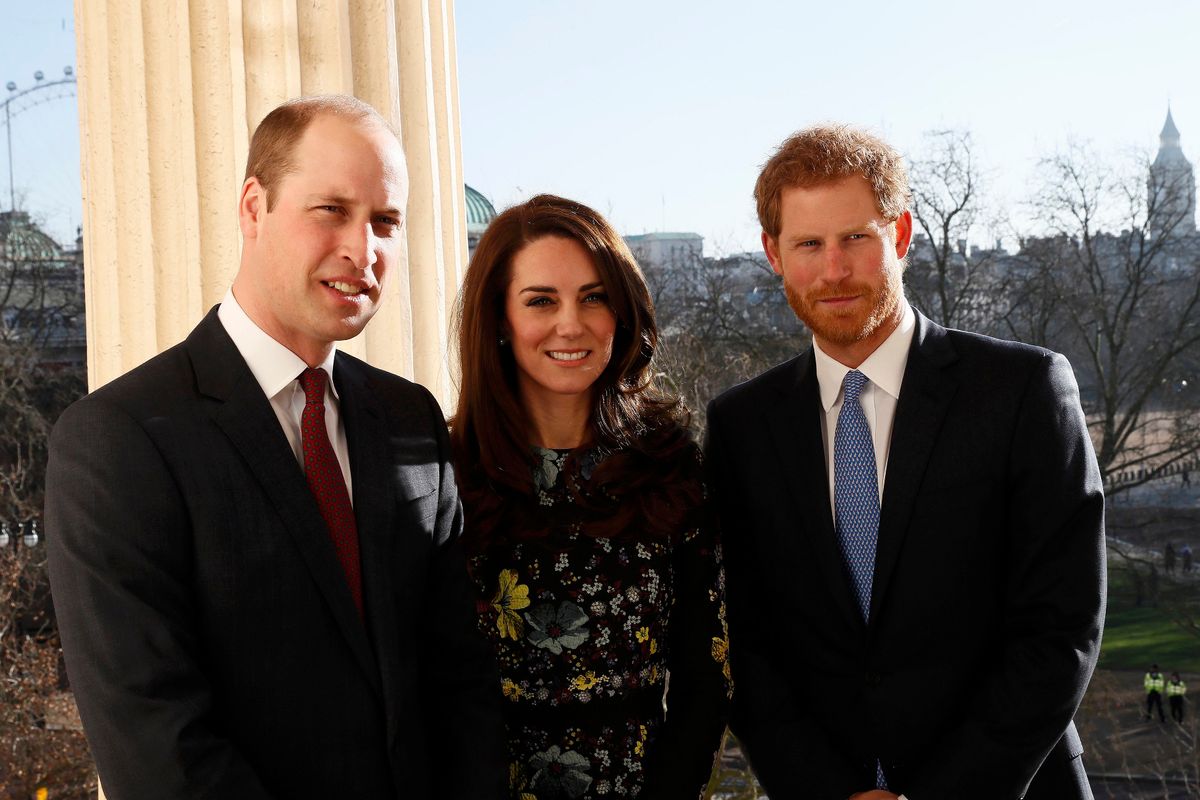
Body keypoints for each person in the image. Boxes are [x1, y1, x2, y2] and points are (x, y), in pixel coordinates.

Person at [45, 95, 505, 799]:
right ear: (253, 208)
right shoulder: (118, 441)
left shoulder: (410, 419)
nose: (363, 249)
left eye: (385, 221)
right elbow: (157, 748)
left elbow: (459, 688)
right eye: (331, 210)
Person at [706, 125, 1106, 800]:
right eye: (809, 244)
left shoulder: (1022, 391)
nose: (833, 270)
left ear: (900, 235)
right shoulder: (742, 426)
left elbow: (1060, 626)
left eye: (855, 237)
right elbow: (746, 643)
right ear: (774, 253)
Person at [450, 194, 730, 799]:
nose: (570, 324)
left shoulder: (671, 463)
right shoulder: (449, 472)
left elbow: (706, 670)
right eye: (541, 301)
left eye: (594, 296)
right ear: (500, 318)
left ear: (622, 312)